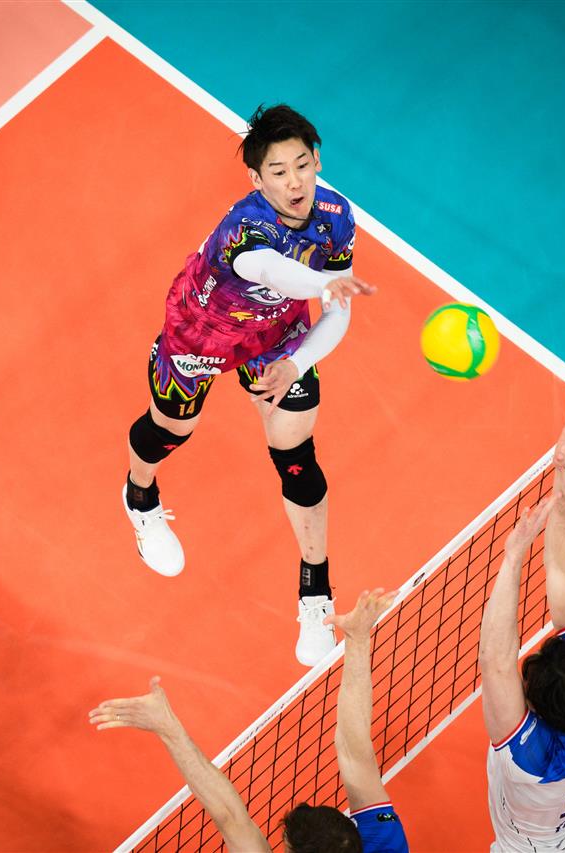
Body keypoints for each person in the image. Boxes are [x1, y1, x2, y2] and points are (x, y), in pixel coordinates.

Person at [121, 103, 377, 666]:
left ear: (316, 160)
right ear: (257, 180)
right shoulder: (246, 228)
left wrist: (298, 362)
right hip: (202, 332)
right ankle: (140, 497)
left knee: (296, 454)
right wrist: (326, 283)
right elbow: (271, 272)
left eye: (302, 165)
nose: (295, 182)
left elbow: (337, 313)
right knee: (171, 430)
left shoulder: (335, 217)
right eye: (279, 172)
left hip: (277, 334)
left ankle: (315, 590)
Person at [90, 589, 410, 852]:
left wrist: (168, 727)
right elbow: (355, 751)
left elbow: (232, 818)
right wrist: (357, 638)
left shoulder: (385, 842)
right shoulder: (385, 842)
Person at [478, 398, 565, 851]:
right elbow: (563, 574)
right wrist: (564, 469)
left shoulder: (531, 758)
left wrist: (515, 553)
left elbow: (496, 661)